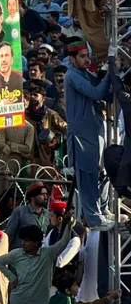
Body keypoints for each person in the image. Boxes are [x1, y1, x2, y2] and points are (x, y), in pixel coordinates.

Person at [64, 41, 115, 229]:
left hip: (95, 130)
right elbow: (96, 93)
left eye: (88, 56)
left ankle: (102, 209)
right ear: (72, 59)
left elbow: (106, 94)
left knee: (102, 172)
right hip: (82, 135)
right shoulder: (72, 76)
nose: (87, 60)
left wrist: (108, 76)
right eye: (82, 56)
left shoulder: (85, 73)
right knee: (88, 176)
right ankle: (94, 219)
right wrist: (109, 71)